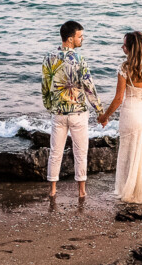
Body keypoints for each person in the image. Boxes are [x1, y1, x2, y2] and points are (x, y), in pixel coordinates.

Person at [98, 31, 142, 204]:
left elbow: (119, 98)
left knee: (128, 154)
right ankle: (140, 193)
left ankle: (128, 192)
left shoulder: (125, 68)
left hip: (131, 114)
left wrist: (105, 116)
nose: (122, 47)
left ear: (131, 48)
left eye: (124, 45)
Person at [41, 21, 106, 199]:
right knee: (80, 153)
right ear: (70, 39)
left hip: (59, 114)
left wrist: (50, 106)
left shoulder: (49, 58)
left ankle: (53, 190)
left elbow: (45, 86)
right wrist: (100, 111)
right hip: (78, 114)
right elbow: (89, 88)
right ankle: (81, 191)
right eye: (80, 36)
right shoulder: (80, 60)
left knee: (55, 152)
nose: (82, 39)